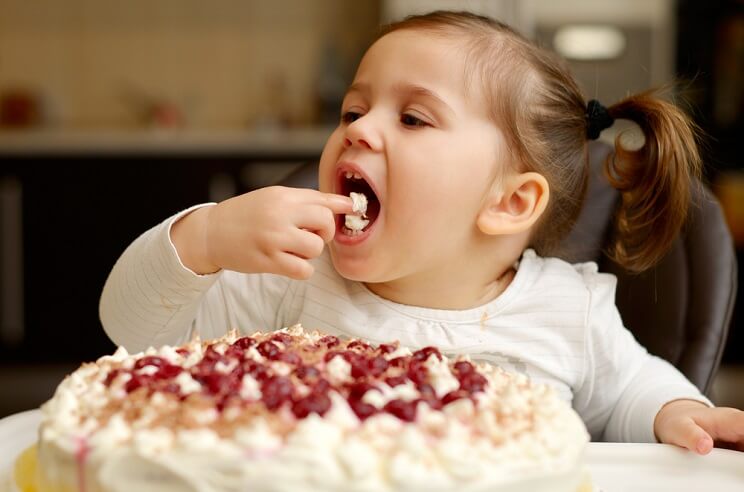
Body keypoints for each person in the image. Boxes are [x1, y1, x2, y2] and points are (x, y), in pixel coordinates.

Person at [100, 11, 744, 453]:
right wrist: (206, 238)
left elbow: (633, 389)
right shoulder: (291, 280)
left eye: (412, 118)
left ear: (511, 201)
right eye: (353, 109)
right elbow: (129, 330)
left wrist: (676, 415)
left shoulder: (567, 311)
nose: (358, 129)